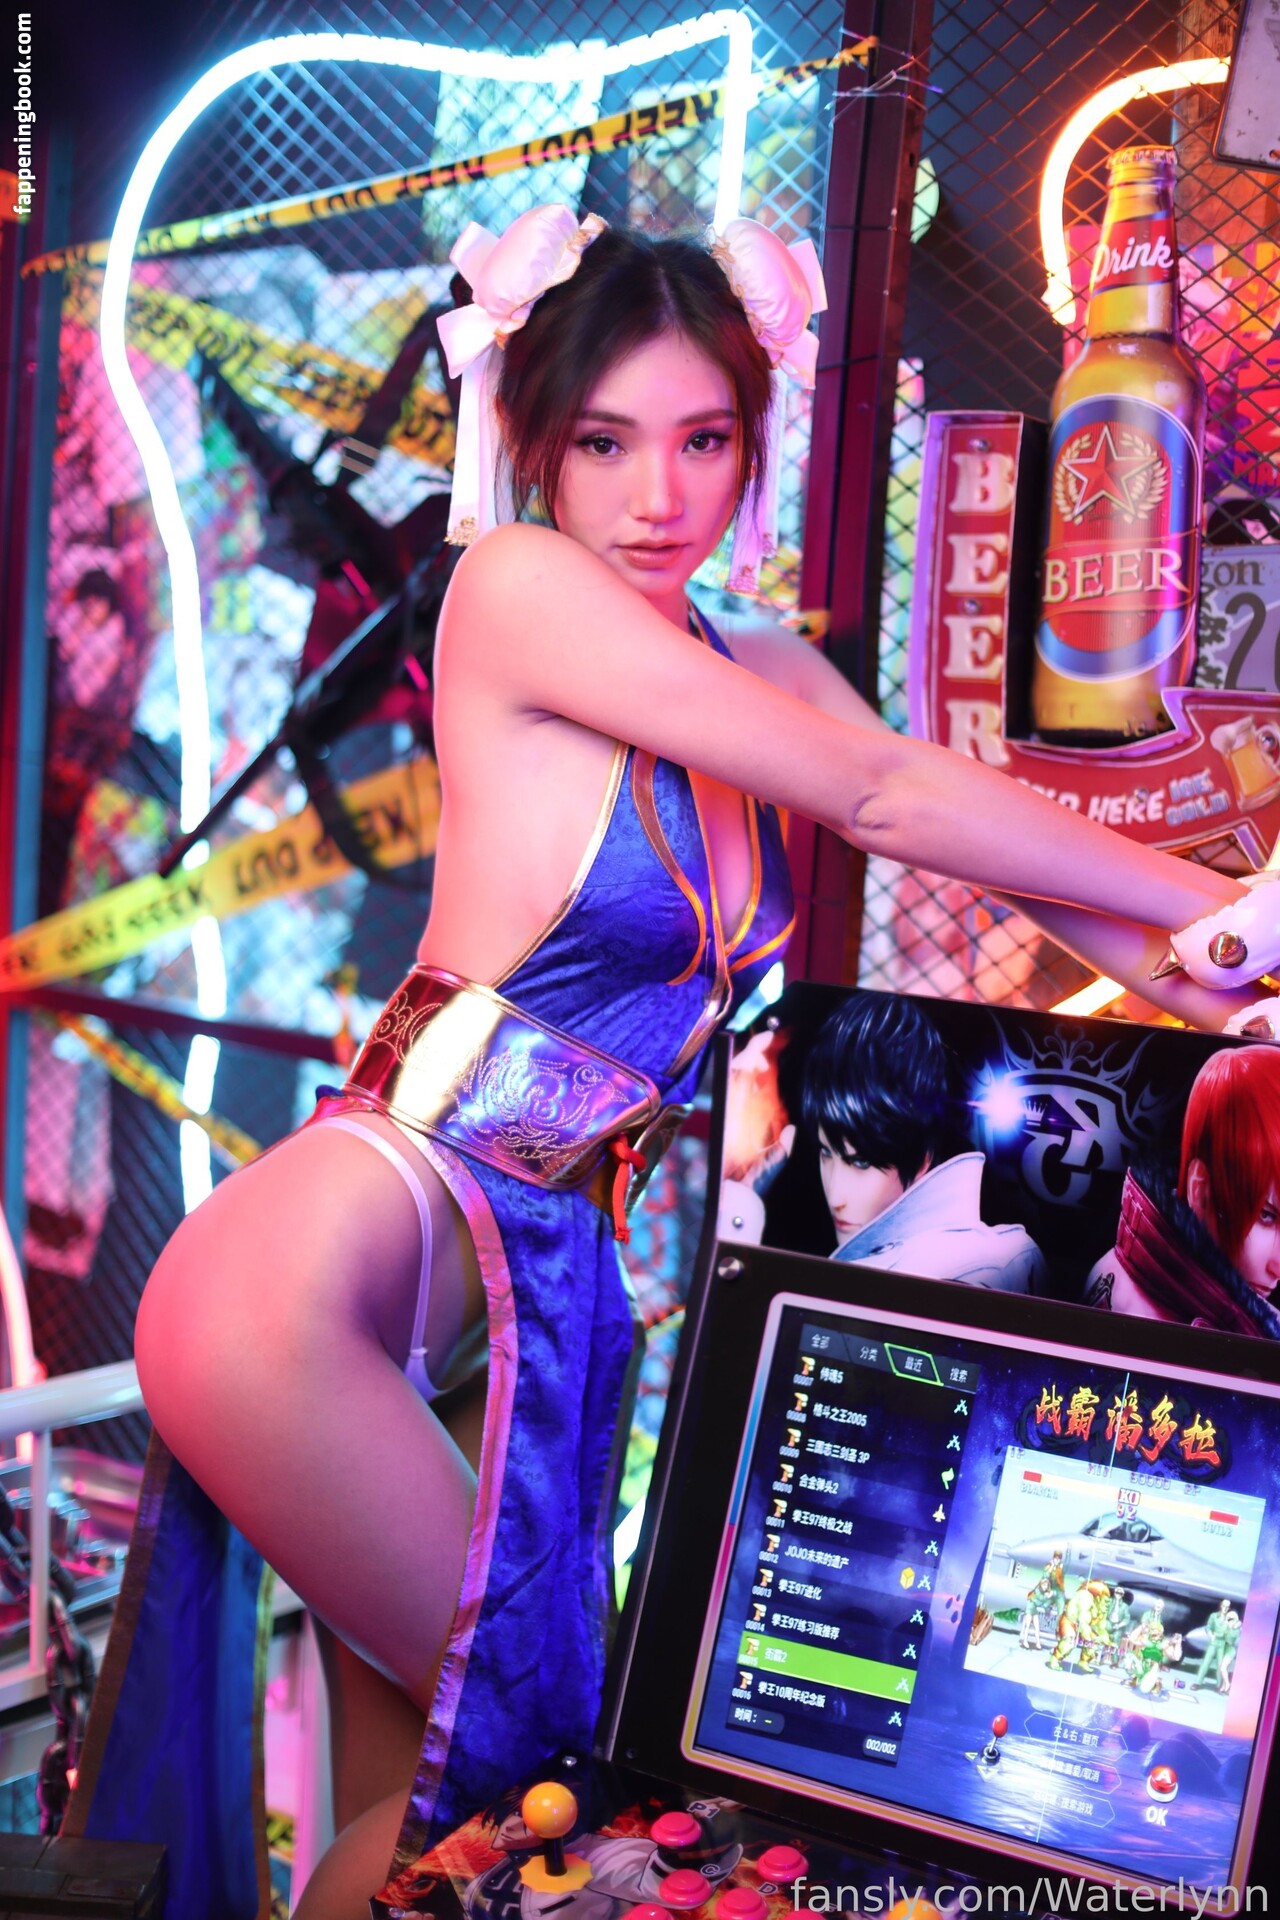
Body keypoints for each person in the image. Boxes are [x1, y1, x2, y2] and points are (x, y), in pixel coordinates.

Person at [63, 204, 1272, 1920]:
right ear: (534, 438)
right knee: (545, 1783)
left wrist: (1225, 974)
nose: (657, 493)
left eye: (704, 439)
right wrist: (1225, 909)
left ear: (752, 440)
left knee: (437, 1830)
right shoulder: (515, 590)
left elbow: (989, 843)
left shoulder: (749, 661)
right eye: (605, 442)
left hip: (519, 1287)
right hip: (319, 1277)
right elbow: (883, 801)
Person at [802, 993, 1046, 1289]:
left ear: (921, 1156)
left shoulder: (975, 1268)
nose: (835, 1196)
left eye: (861, 1162)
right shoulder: (1014, 1255)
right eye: (826, 1153)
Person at [1084, 1045, 1280, 1335]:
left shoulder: (1127, 1258)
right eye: (1266, 1215)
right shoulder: (1166, 1334)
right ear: (1200, 1191)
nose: (1278, 1265)